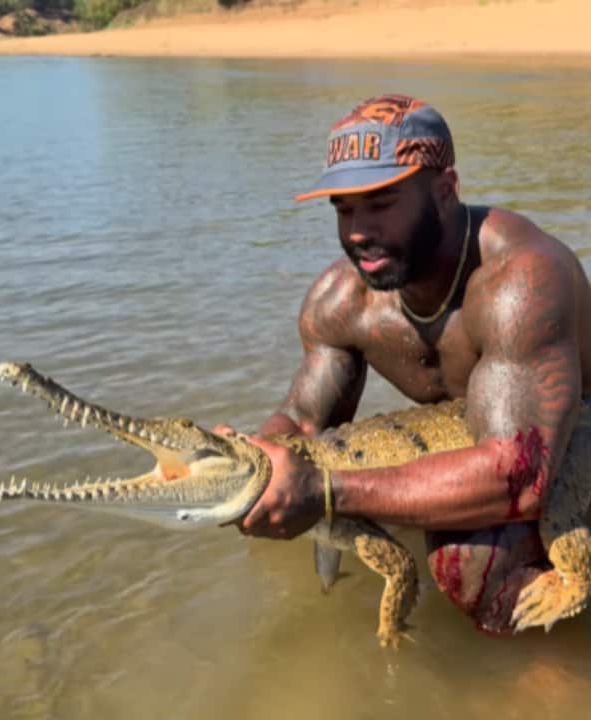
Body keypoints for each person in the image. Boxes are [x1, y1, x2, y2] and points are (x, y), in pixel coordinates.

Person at [216, 94, 591, 635]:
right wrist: (250, 463)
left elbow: (523, 476)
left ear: (445, 190)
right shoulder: (339, 301)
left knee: (472, 560)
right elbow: (302, 424)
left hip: (574, 438)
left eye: (381, 204)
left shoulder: (520, 282)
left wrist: (326, 491)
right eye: (344, 209)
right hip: (484, 436)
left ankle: (547, 667)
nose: (357, 231)